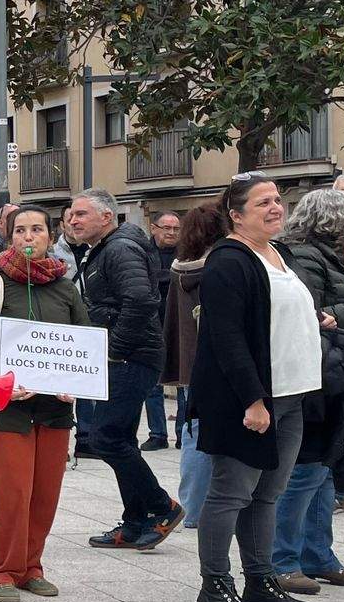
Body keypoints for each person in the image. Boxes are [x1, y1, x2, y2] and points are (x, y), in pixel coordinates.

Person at [192, 175, 333, 602]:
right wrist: (253, 400)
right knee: (231, 492)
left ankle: (260, 579)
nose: (276, 208)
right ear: (236, 215)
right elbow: (227, 337)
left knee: (267, 494)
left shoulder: (279, 254)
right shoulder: (228, 261)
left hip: (291, 393)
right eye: (263, 203)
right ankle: (215, 586)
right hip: (248, 398)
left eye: (278, 200)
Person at [0, 206, 90, 602]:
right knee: (11, 494)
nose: (29, 236)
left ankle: (31, 566)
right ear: (8, 236)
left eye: (37, 230)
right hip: (9, 411)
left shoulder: (65, 286)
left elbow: (83, 340)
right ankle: (1, 570)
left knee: (45, 495)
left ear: (50, 236)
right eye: (20, 230)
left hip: (53, 411)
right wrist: (2, 382)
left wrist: (75, 381)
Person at [269, 189, 344, 592]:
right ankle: (281, 559)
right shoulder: (304, 258)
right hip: (316, 374)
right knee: (305, 470)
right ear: (336, 224)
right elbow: (308, 315)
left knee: (323, 469)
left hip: (334, 372)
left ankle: (317, 554)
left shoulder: (320, 257)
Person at [67, 189, 182, 551]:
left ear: (107, 217)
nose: (73, 220)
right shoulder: (105, 248)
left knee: (105, 438)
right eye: (71, 215)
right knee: (122, 439)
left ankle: (163, 508)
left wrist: (115, 350)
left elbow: (140, 301)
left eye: (82, 214)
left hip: (132, 357)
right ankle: (134, 523)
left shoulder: (120, 248)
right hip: (127, 354)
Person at [162, 205, 226, 530]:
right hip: (218, 363)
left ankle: (191, 506)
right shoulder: (221, 267)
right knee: (214, 434)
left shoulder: (178, 268)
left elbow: (172, 321)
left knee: (192, 432)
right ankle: (209, 507)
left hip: (190, 363)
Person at [143, 211, 181, 448]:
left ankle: (182, 433)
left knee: (183, 382)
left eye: (176, 229)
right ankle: (157, 434)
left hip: (179, 324)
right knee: (153, 384)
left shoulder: (188, 252)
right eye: (166, 228)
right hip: (151, 324)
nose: (171, 233)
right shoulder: (143, 253)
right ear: (153, 228)